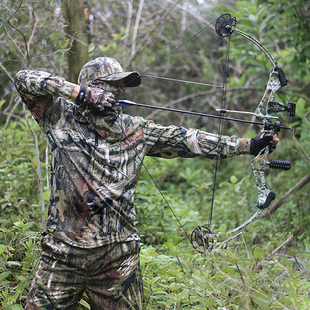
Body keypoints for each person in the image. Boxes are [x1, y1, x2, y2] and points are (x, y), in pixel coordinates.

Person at [14, 57, 279, 309]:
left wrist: (251, 145)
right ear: (94, 88)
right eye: (113, 85)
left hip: (117, 257)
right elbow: (23, 79)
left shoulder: (136, 130)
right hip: (63, 253)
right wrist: (79, 94)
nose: (118, 92)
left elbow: (189, 140)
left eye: (121, 86)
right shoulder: (59, 116)